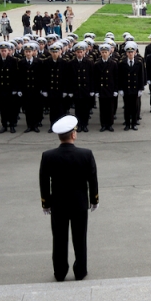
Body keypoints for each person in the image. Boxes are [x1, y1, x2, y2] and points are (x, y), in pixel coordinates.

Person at [39, 115, 99, 282]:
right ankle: (80, 271)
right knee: (80, 238)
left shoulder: (48, 156)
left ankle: (60, 271)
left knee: (59, 239)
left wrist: (46, 202)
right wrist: (94, 200)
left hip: (58, 203)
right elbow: (92, 179)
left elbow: (44, 180)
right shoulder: (86, 154)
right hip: (79, 203)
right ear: (73, 135)